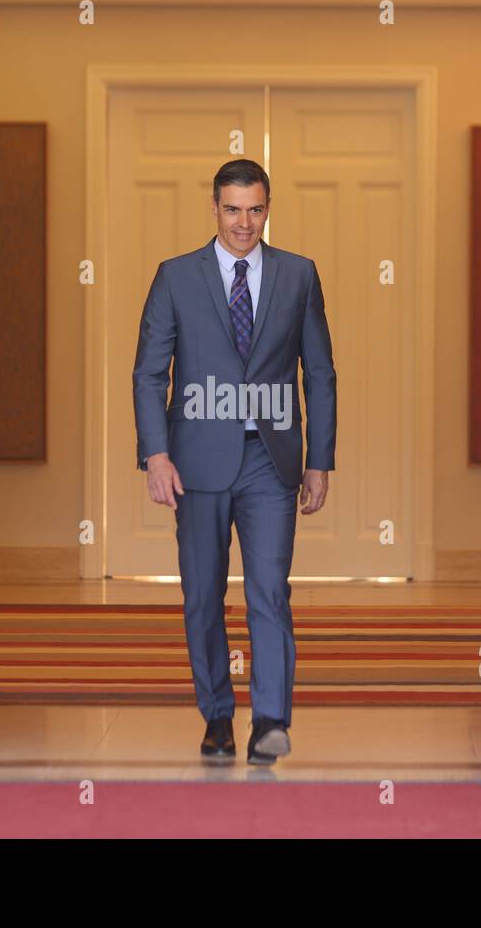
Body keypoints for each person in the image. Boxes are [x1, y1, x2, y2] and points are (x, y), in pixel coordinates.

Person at [132, 159, 337, 765]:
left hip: (271, 463)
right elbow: (148, 373)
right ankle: (218, 716)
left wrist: (319, 459)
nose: (243, 222)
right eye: (232, 209)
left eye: (255, 209)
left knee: (270, 591)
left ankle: (270, 720)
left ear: (268, 207)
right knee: (202, 593)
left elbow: (319, 373)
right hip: (195, 461)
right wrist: (156, 455)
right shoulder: (175, 277)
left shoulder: (299, 276)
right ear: (214, 208)